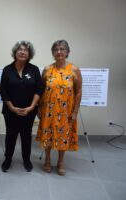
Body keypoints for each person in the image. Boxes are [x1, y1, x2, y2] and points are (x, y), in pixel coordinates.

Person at [36, 40, 82, 176]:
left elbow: (78, 91)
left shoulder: (74, 70)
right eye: (56, 49)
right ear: (52, 53)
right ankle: (48, 159)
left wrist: (75, 112)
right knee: (48, 135)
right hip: (48, 110)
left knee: (63, 136)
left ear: (68, 52)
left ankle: (61, 162)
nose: (59, 52)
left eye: (62, 49)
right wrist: (39, 108)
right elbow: (41, 90)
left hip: (65, 111)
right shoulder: (47, 69)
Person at [0, 41, 43, 172]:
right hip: (10, 111)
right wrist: (12, 107)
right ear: (15, 52)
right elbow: (3, 90)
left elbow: (39, 90)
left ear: (29, 54)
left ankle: (26, 159)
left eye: (26, 50)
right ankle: (8, 159)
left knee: (26, 135)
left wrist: (31, 107)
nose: (23, 52)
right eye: (20, 49)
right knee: (10, 135)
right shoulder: (7, 69)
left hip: (28, 111)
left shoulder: (34, 69)